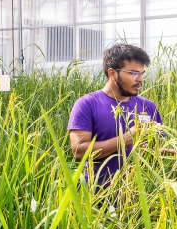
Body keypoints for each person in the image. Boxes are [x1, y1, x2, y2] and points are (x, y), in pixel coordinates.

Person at [68, 43, 165, 187]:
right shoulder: (87, 104)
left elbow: (158, 149)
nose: (140, 79)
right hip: (97, 196)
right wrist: (125, 139)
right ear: (112, 73)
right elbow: (79, 151)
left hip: (139, 197)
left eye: (142, 73)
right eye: (133, 73)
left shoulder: (148, 107)